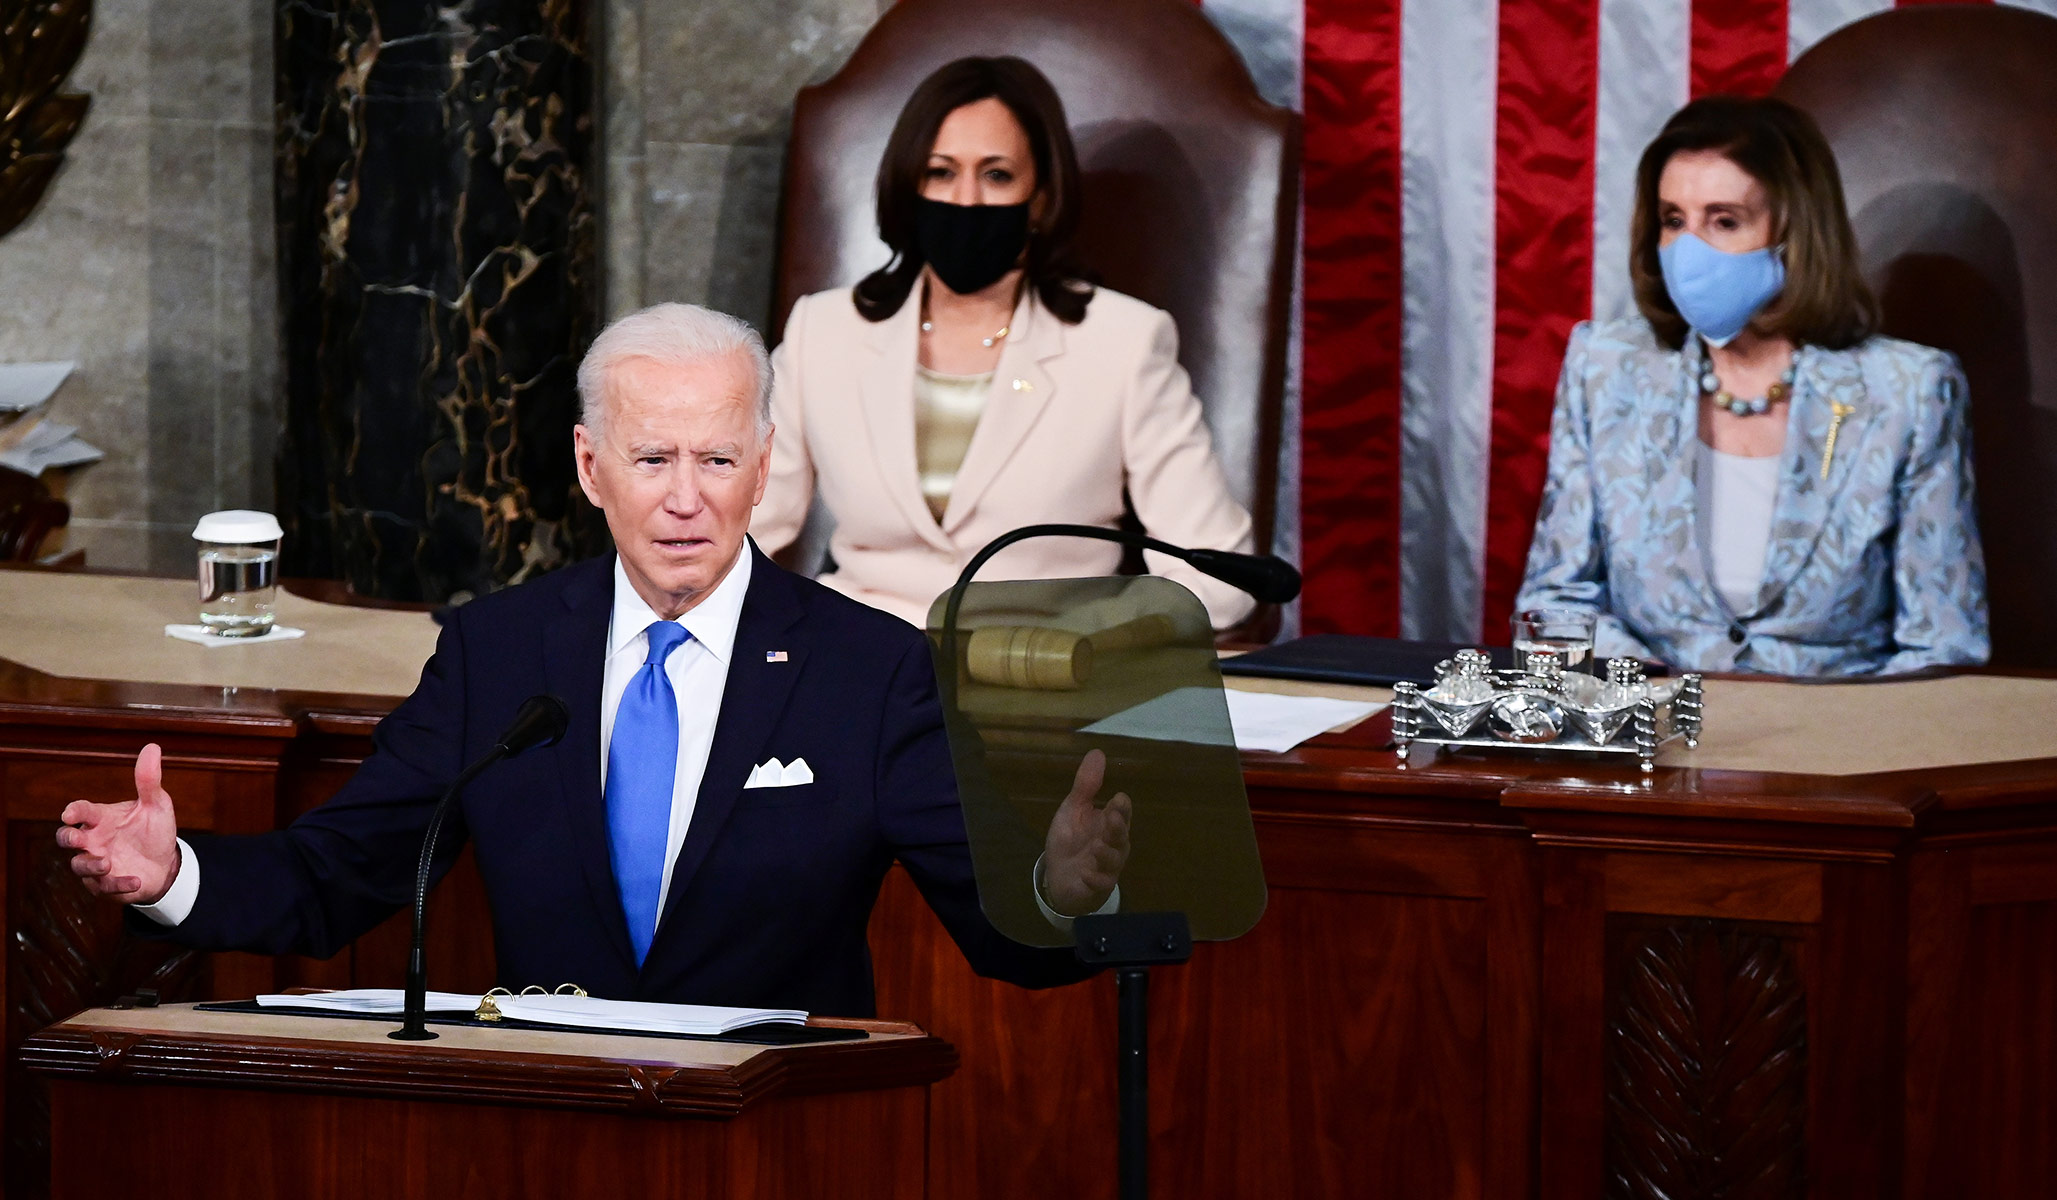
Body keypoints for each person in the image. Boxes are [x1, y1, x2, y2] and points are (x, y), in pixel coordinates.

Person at [55, 303, 1132, 1017]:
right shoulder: (498, 652)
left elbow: (1002, 928)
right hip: (551, 1132)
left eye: (717, 459)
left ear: (763, 467)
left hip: (776, 1141)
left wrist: (1063, 889)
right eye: (651, 457)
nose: (684, 498)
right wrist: (173, 874)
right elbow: (341, 874)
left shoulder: (868, 669)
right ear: (588, 465)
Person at [751, 56, 1257, 631]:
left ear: (1040, 196)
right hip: (861, 657)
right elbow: (742, 534)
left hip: (1043, 664)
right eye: (940, 172)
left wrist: (1099, 639)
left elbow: (1222, 577)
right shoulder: (824, 331)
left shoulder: (1123, 343)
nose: (966, 200)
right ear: (909, 185)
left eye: (996, 175)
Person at [1516, 96, 1988, 675]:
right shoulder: (1605, 369)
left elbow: (1943, 647)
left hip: (1838, 725)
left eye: (1724, 221)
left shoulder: (1910, 391)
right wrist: (1663, 698)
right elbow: (1556, 603)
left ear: (1794, 231)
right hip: (1656, 719)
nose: (1689, 251)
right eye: (1673, 221)